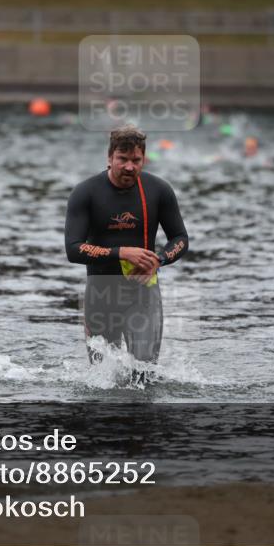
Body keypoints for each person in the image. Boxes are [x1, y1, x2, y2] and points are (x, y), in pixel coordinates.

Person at [64, 125, 189, 367]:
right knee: (102, 378)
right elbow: (73, 249)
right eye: (122, 159)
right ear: (110, 158)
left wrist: (159, 260)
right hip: (100, 294)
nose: (129, 167)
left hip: (144, 292)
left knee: (143, 373)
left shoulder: (159, 190)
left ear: (144, 159)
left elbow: (180, 238)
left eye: (136, 160)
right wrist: (121, 252)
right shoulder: (86, 192)